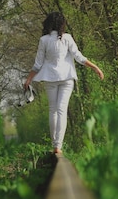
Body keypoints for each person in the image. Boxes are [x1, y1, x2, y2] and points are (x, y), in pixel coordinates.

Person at [23, 11, 104, 156]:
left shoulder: (44, 40)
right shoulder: (67, 38)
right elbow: (79, 57)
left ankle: (55, 144)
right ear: (62, 24)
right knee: (61, 110)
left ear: (48, 24)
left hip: (50, 78)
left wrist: (29, 79)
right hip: (66, 77)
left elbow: (38, 64)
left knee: (53, 110)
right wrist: (95, 67)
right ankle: (58, 146)